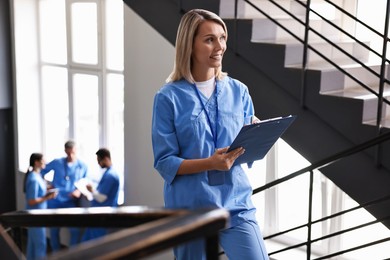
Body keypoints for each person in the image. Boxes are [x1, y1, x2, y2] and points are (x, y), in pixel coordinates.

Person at [151, 9, 269, 260]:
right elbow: (164, 162)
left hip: (235, 203)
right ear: (189, 45)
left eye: (222, 38)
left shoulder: (239, 91)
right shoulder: (167, 98)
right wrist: (210, 163)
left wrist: (256, 135)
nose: (220, 46)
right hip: (189, 209)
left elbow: (246, 155)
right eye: (209, 39)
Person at [40, 140, 88, 251]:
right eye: (68, 153)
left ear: (76, 151)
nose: (70, 156)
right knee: (54, 230)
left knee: (75, 231)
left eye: (73, 153)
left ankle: (71, 256)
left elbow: (85, 180)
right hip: (55, 201)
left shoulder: (82, 166)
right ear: (65, 151)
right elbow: (41, 171)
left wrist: (79, 191)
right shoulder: (57, 162)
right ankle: (57, 255)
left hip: (70, 202)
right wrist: (46, 185)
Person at [82, 148, 120, 241]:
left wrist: (91, 191)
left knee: (95, 242)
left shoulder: (110, 175)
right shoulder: (108, 173)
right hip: (98, 214)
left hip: (102, 216)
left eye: (99, 160)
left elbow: (102, 198)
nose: (98, 163)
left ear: (106, 159)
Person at [24, 153, 57, 260]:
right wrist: (47, 197)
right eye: (43, 161)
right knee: (40, 244)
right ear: (36, 162)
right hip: (35, 217)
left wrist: (47, 191)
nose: (45, 163)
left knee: (32, 246)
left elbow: (38, 192)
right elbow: (31, 201)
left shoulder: (37, 176)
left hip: (38, 216)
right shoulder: (33, 179)